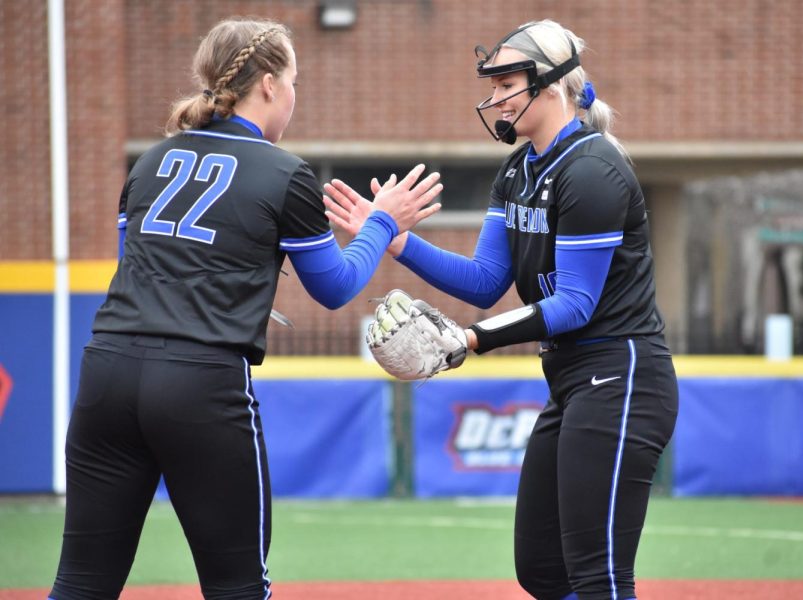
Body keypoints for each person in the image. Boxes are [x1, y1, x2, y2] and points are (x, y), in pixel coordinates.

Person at [49, 18, 442, 600]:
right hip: (199, 384)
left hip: (107, 372)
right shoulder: (284, 172)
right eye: (294, 82)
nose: (294, 96)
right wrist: (383, 221)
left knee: (81, 583)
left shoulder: (151, 161)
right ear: (267, 86)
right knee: (238, 587)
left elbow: (131, 271)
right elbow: (335, 288)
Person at [325, 19, 678, 600]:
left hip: (623, 378)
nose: (493, 98)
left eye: (506, 81)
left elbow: (575, 303)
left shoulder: (592, 170)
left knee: (600, 576)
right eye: (491, 84)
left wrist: (470, 340)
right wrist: (397, 242)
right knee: (540, 567)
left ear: (553, 84)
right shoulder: (517, 170)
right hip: (573, 382)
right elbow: (488, 280)